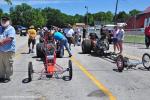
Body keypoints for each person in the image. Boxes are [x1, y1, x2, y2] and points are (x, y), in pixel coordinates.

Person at [0, 16, 16, 83]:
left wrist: (2, 42)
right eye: (3, 20)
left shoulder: (11, 28)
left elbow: (10, 38)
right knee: (1, 64)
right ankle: (2, 76)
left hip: (8, 50)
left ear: (8, 21)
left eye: (5, 20)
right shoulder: (0, 28)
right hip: (1, 50)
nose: (4, 21)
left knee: (8, 64)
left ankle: (8, 77)